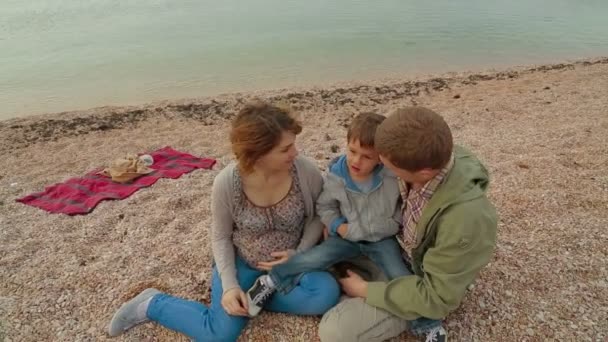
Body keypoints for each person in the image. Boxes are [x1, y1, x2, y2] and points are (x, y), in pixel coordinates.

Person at [107, 101, 340, 341]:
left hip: (292, 265)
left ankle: (257, 297)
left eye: (293, 145)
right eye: (285, 149)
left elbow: (316, 218)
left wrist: (299, 254)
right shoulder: (227, 183)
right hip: (244, 264)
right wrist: (229, 287)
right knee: (220, 335)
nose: (295, 152)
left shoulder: (305, 171)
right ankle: (152, 304)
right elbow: (220, 237)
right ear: (257, 154)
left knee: (325, 293)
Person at [246, 112, 438, 334]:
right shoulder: (337, 177)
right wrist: (338, 225)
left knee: (399, 273)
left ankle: (428, 325)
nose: (356, 160)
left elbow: (404, 205)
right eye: (352, 151)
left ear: (381, 157)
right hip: (346, 237)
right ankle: (270, 282)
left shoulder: (391, 177)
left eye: (366, 156)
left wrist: (391, 224)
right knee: (313, 257)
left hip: (381, 240)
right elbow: (324, 207)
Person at [318, 107, 498, 342]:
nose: (381, 168)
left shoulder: (466, 220)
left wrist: (364, 290)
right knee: (321, 253)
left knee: (334, 332)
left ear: (423, 172)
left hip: (419, 281)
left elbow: (437, 297)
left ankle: (424, 324)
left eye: (388, 167)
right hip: (389, 246)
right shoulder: (423, 156)